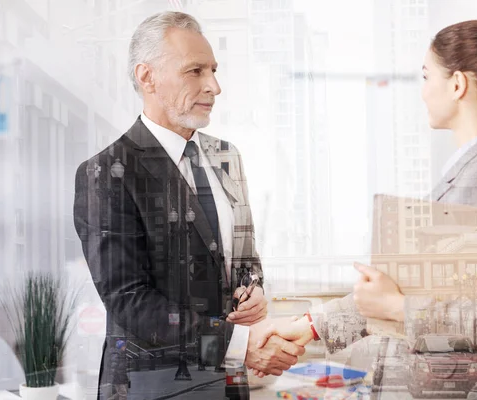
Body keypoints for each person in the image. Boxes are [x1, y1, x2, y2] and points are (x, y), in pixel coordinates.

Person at [254, 19, 477, 385]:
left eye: (427, 77)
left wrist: (397, 307)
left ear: (457, 84)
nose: (423, 91)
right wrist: (312, 325)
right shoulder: (472, 171)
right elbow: (413, 290)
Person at [73, 11, 304, 399]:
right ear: (147, 77)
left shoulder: (227, 157)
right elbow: (130, 301)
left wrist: (253, 290)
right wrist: (241, 343)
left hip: (229, 384)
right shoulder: (106, 172)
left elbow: (244, 260)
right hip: (155, 384)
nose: (214, 86)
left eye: (213, 70)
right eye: (195, 71)